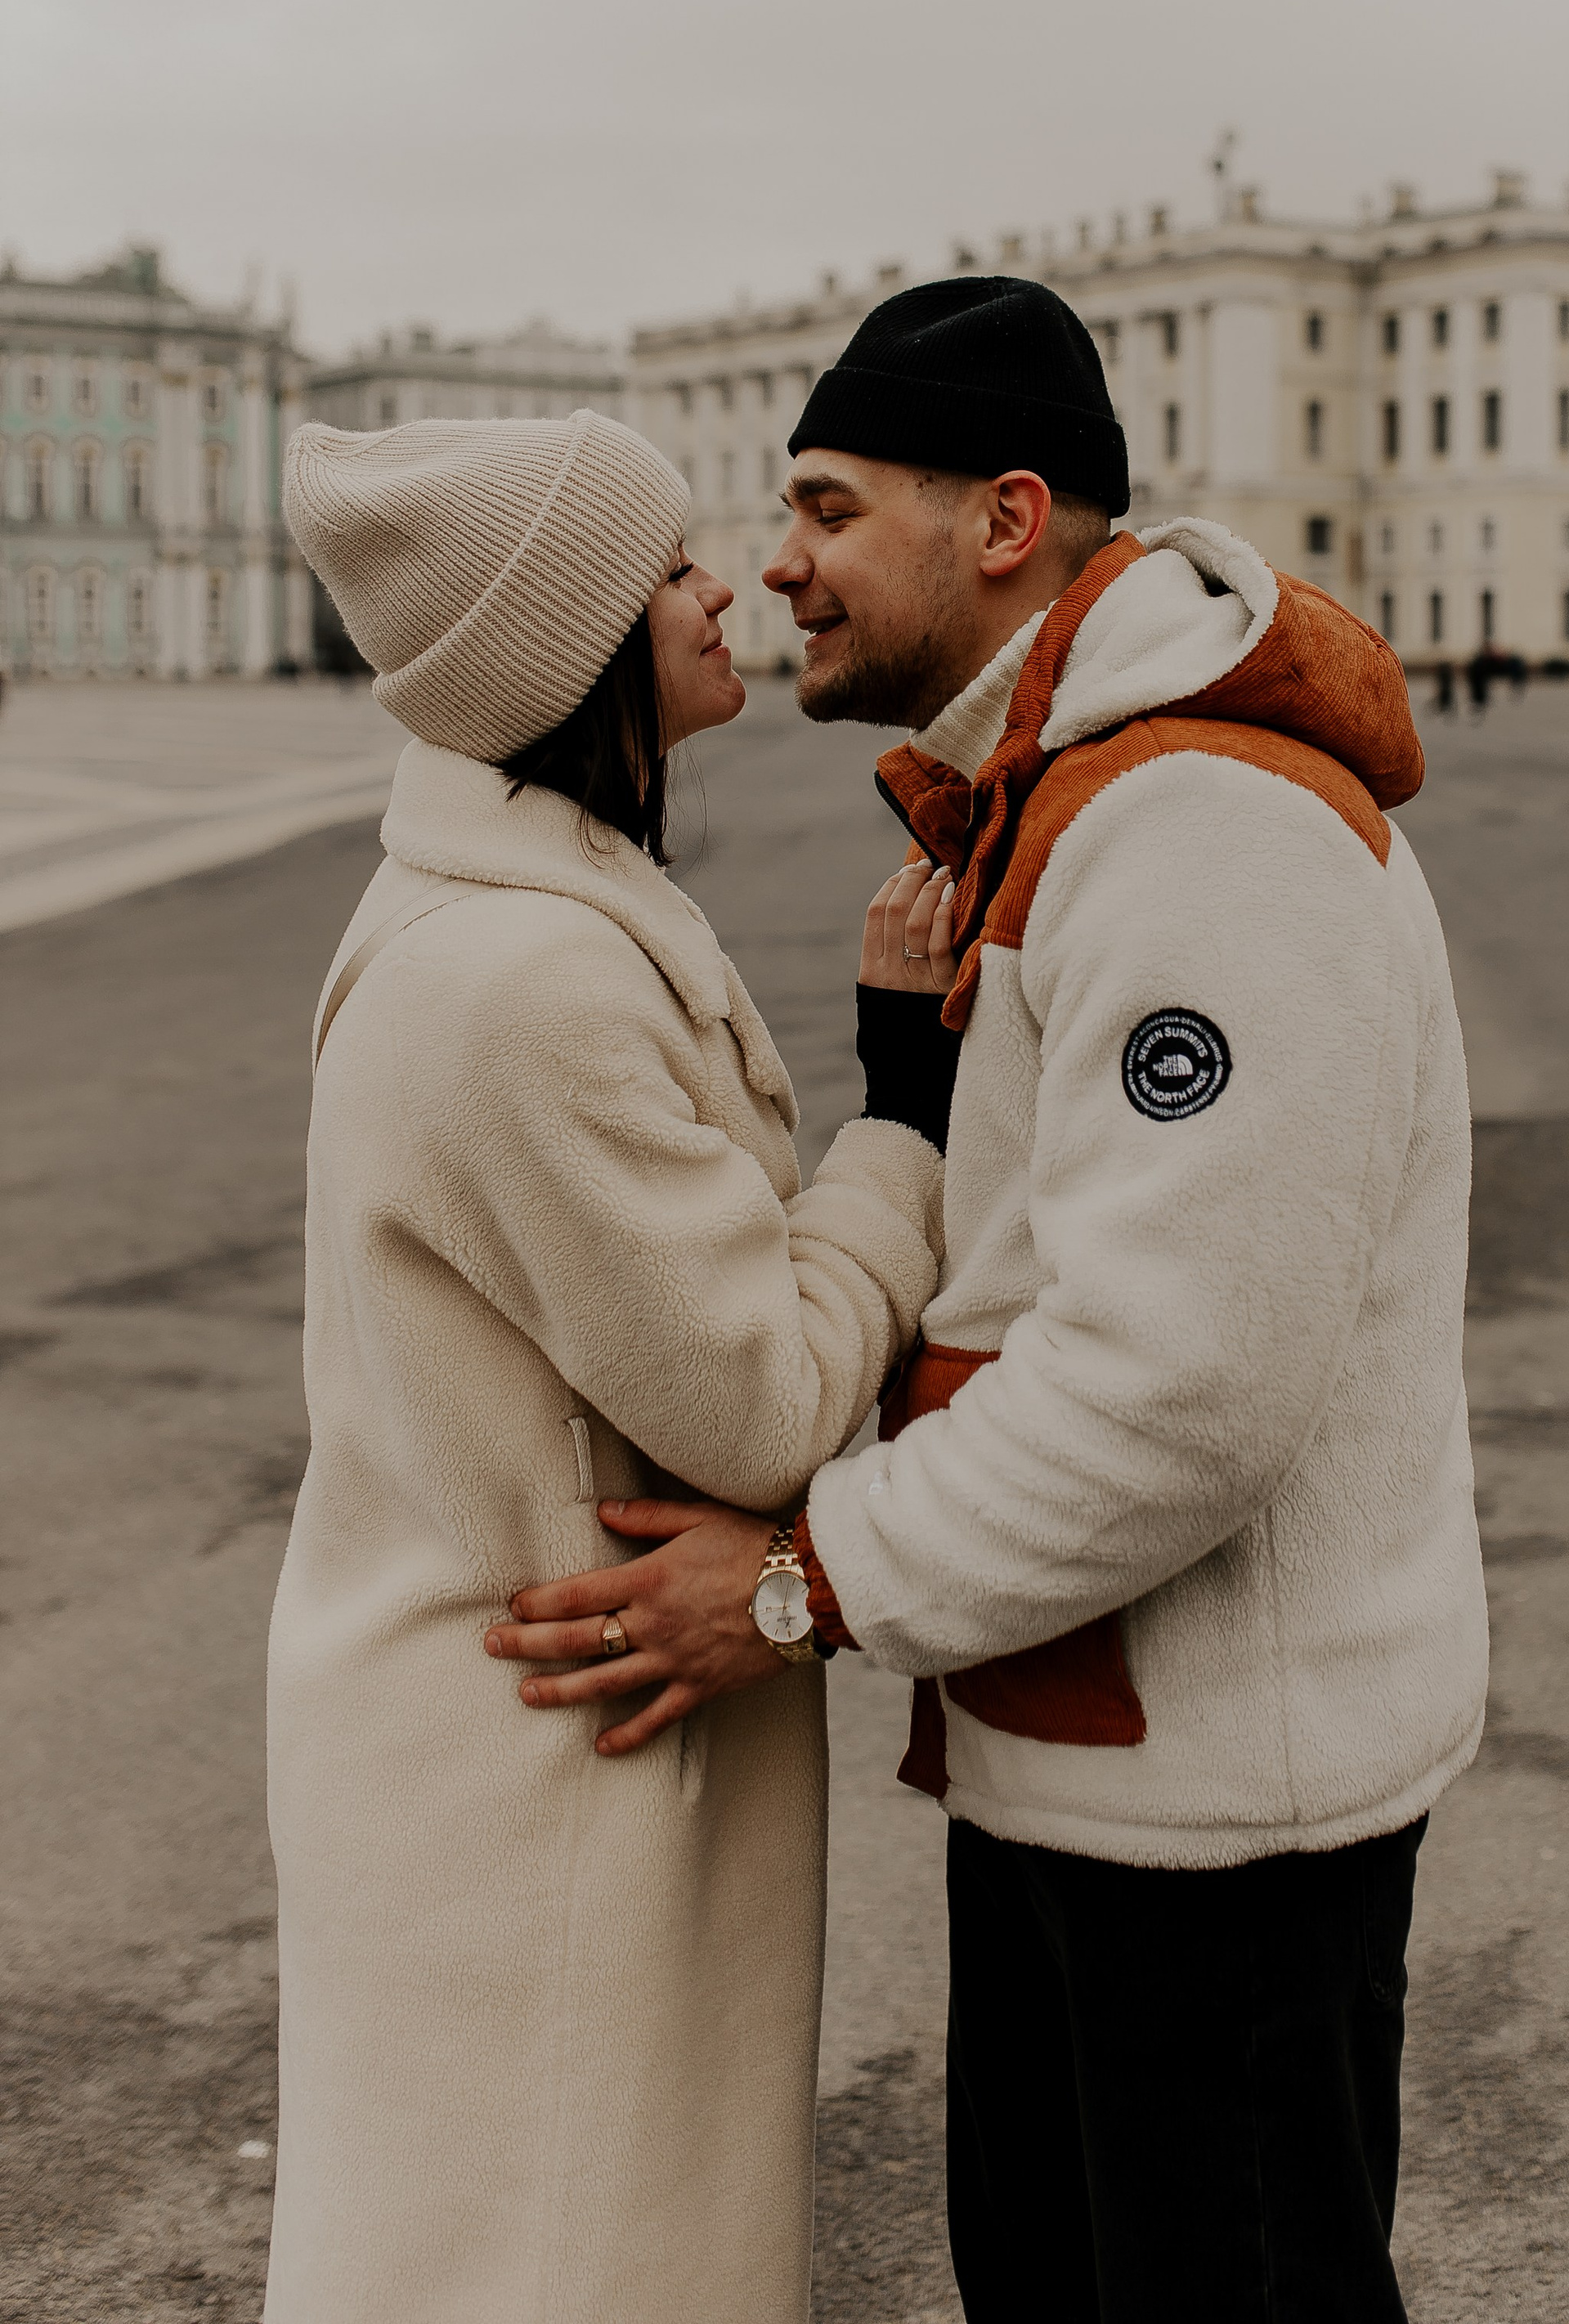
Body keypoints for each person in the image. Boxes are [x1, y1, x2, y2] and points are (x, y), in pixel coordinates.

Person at [499, 281, 1490, 2324]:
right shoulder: (1078, 798)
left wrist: (793, 1579)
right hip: (1096, 1745)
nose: (777, 562)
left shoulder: (1197, 829)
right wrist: (923, 1094)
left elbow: (1177, 1386)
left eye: (827, 506)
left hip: (1213, 1819)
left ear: (1006, 517)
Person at [268, 411, 961, 2324]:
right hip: (552, 1772)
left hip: (501, 1733)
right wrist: (901, 1122)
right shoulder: (528, 980)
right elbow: (753, 1395)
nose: (722, 581)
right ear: (564, 645)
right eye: (666, 569)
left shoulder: (501, 909)